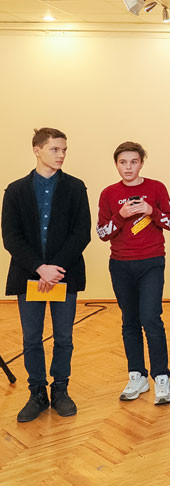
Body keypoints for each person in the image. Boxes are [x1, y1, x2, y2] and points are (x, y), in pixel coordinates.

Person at [1, 128, 91, 422]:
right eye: (55, 149)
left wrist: (55, 269)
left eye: (64, 149)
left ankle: (60, 390)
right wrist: (40, 268)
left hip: (65, 274)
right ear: (37, 150)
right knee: (31, 338)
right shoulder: (15, 190)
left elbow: (81, 233)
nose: (61, 155)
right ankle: (37, 393)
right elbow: (11, 237)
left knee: (64, 337)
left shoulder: (76, 188)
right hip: (28, 275)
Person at [97, 141, 170, 405]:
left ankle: (161, 378)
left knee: (151, 319)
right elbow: (102, 234)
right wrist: (120, 215)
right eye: (123, 162)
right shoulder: (109, 193)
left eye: (133, 162)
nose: (128, 167)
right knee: (129, 321)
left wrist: (151, 211)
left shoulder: (156, 188)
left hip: (151, 262)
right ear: (116, 164)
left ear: (142, 163)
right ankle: (137, 375)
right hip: (121, 265)